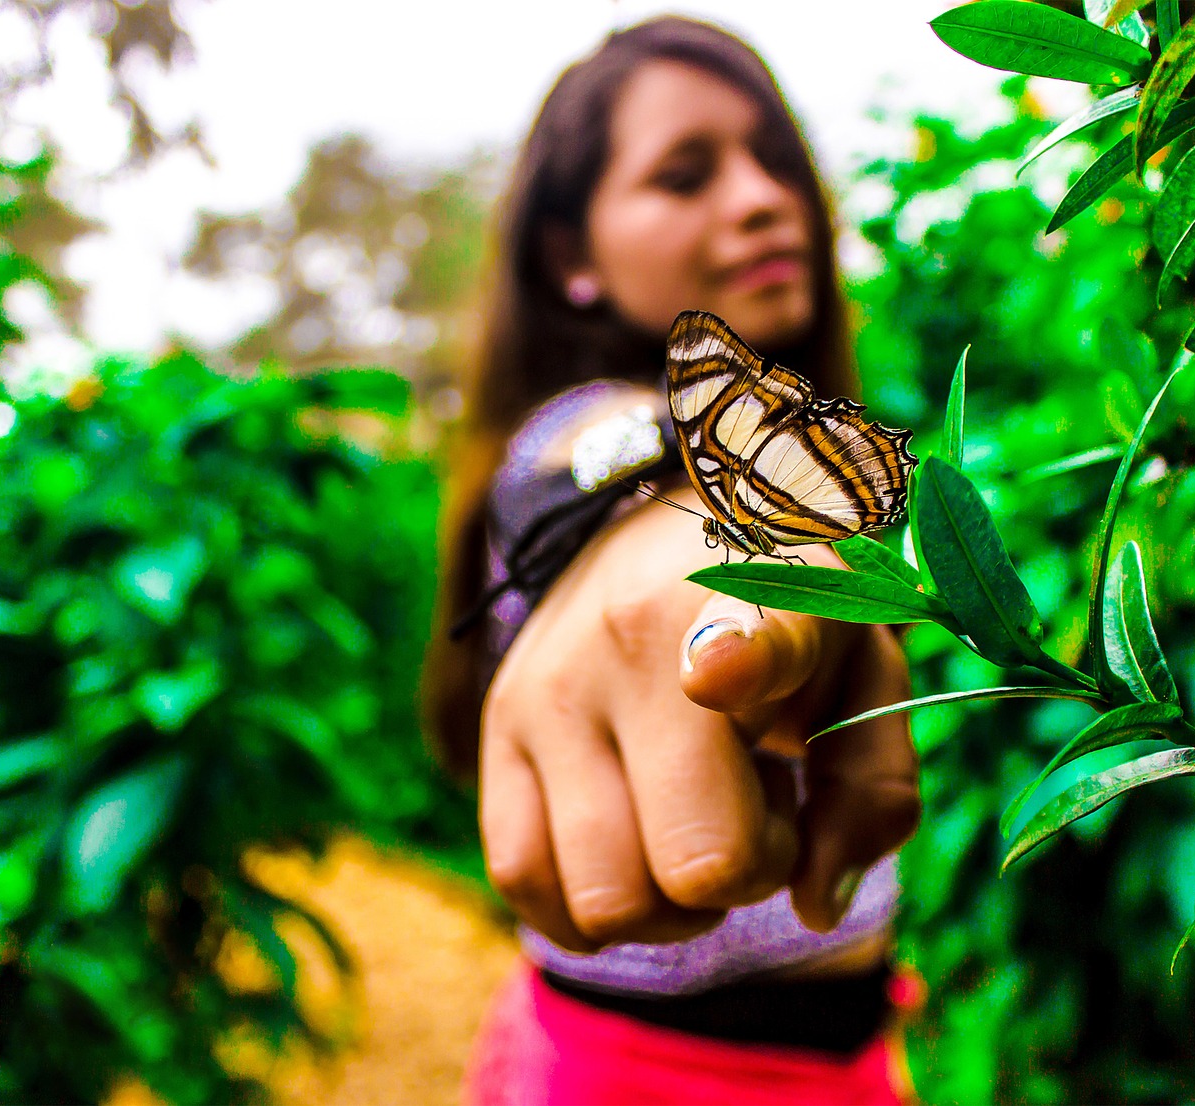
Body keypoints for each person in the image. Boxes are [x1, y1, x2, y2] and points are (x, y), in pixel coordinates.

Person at [427, 16, 921, 1105]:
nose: (759, 198)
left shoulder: (815, 436)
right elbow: (584, 470)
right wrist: (679, 555)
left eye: (774, 160)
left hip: (842, 1053)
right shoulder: (572, 427)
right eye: (682, 174)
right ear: (571, 257)